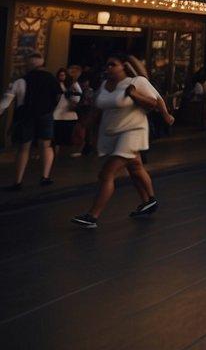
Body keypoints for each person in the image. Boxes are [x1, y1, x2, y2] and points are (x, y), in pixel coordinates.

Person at [71, 56, 174, 228]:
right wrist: (82, 127)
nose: (109, 67)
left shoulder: (136, 81)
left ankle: (92, 216)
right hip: (113, 133)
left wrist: (164, 114)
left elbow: (155, 101)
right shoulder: (104, 85)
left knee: (106, 174)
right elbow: (96, 110)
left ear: (124, 67)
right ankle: (149, 200)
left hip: (133, 132)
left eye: (113, 64)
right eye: (107, 64)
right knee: (135, 167)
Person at [1, 53, 61, 189]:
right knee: (46, 146)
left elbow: (6, 101)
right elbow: (57, 97)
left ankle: (18, 181)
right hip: (46, 114)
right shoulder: (51, 79)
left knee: (24, 148)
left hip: (26, 116)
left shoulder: (21, 81)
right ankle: (45, 176)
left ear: (29, 65)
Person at [52, 67, 83, 158]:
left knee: (67, 136)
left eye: (64, 75)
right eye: (60, 75)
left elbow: (79, 94)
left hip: (68, 114)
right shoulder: (56, 85)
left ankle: (64, 153)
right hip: (57, 113)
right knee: (56, 136)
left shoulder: (71, 85)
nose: (62, 77)